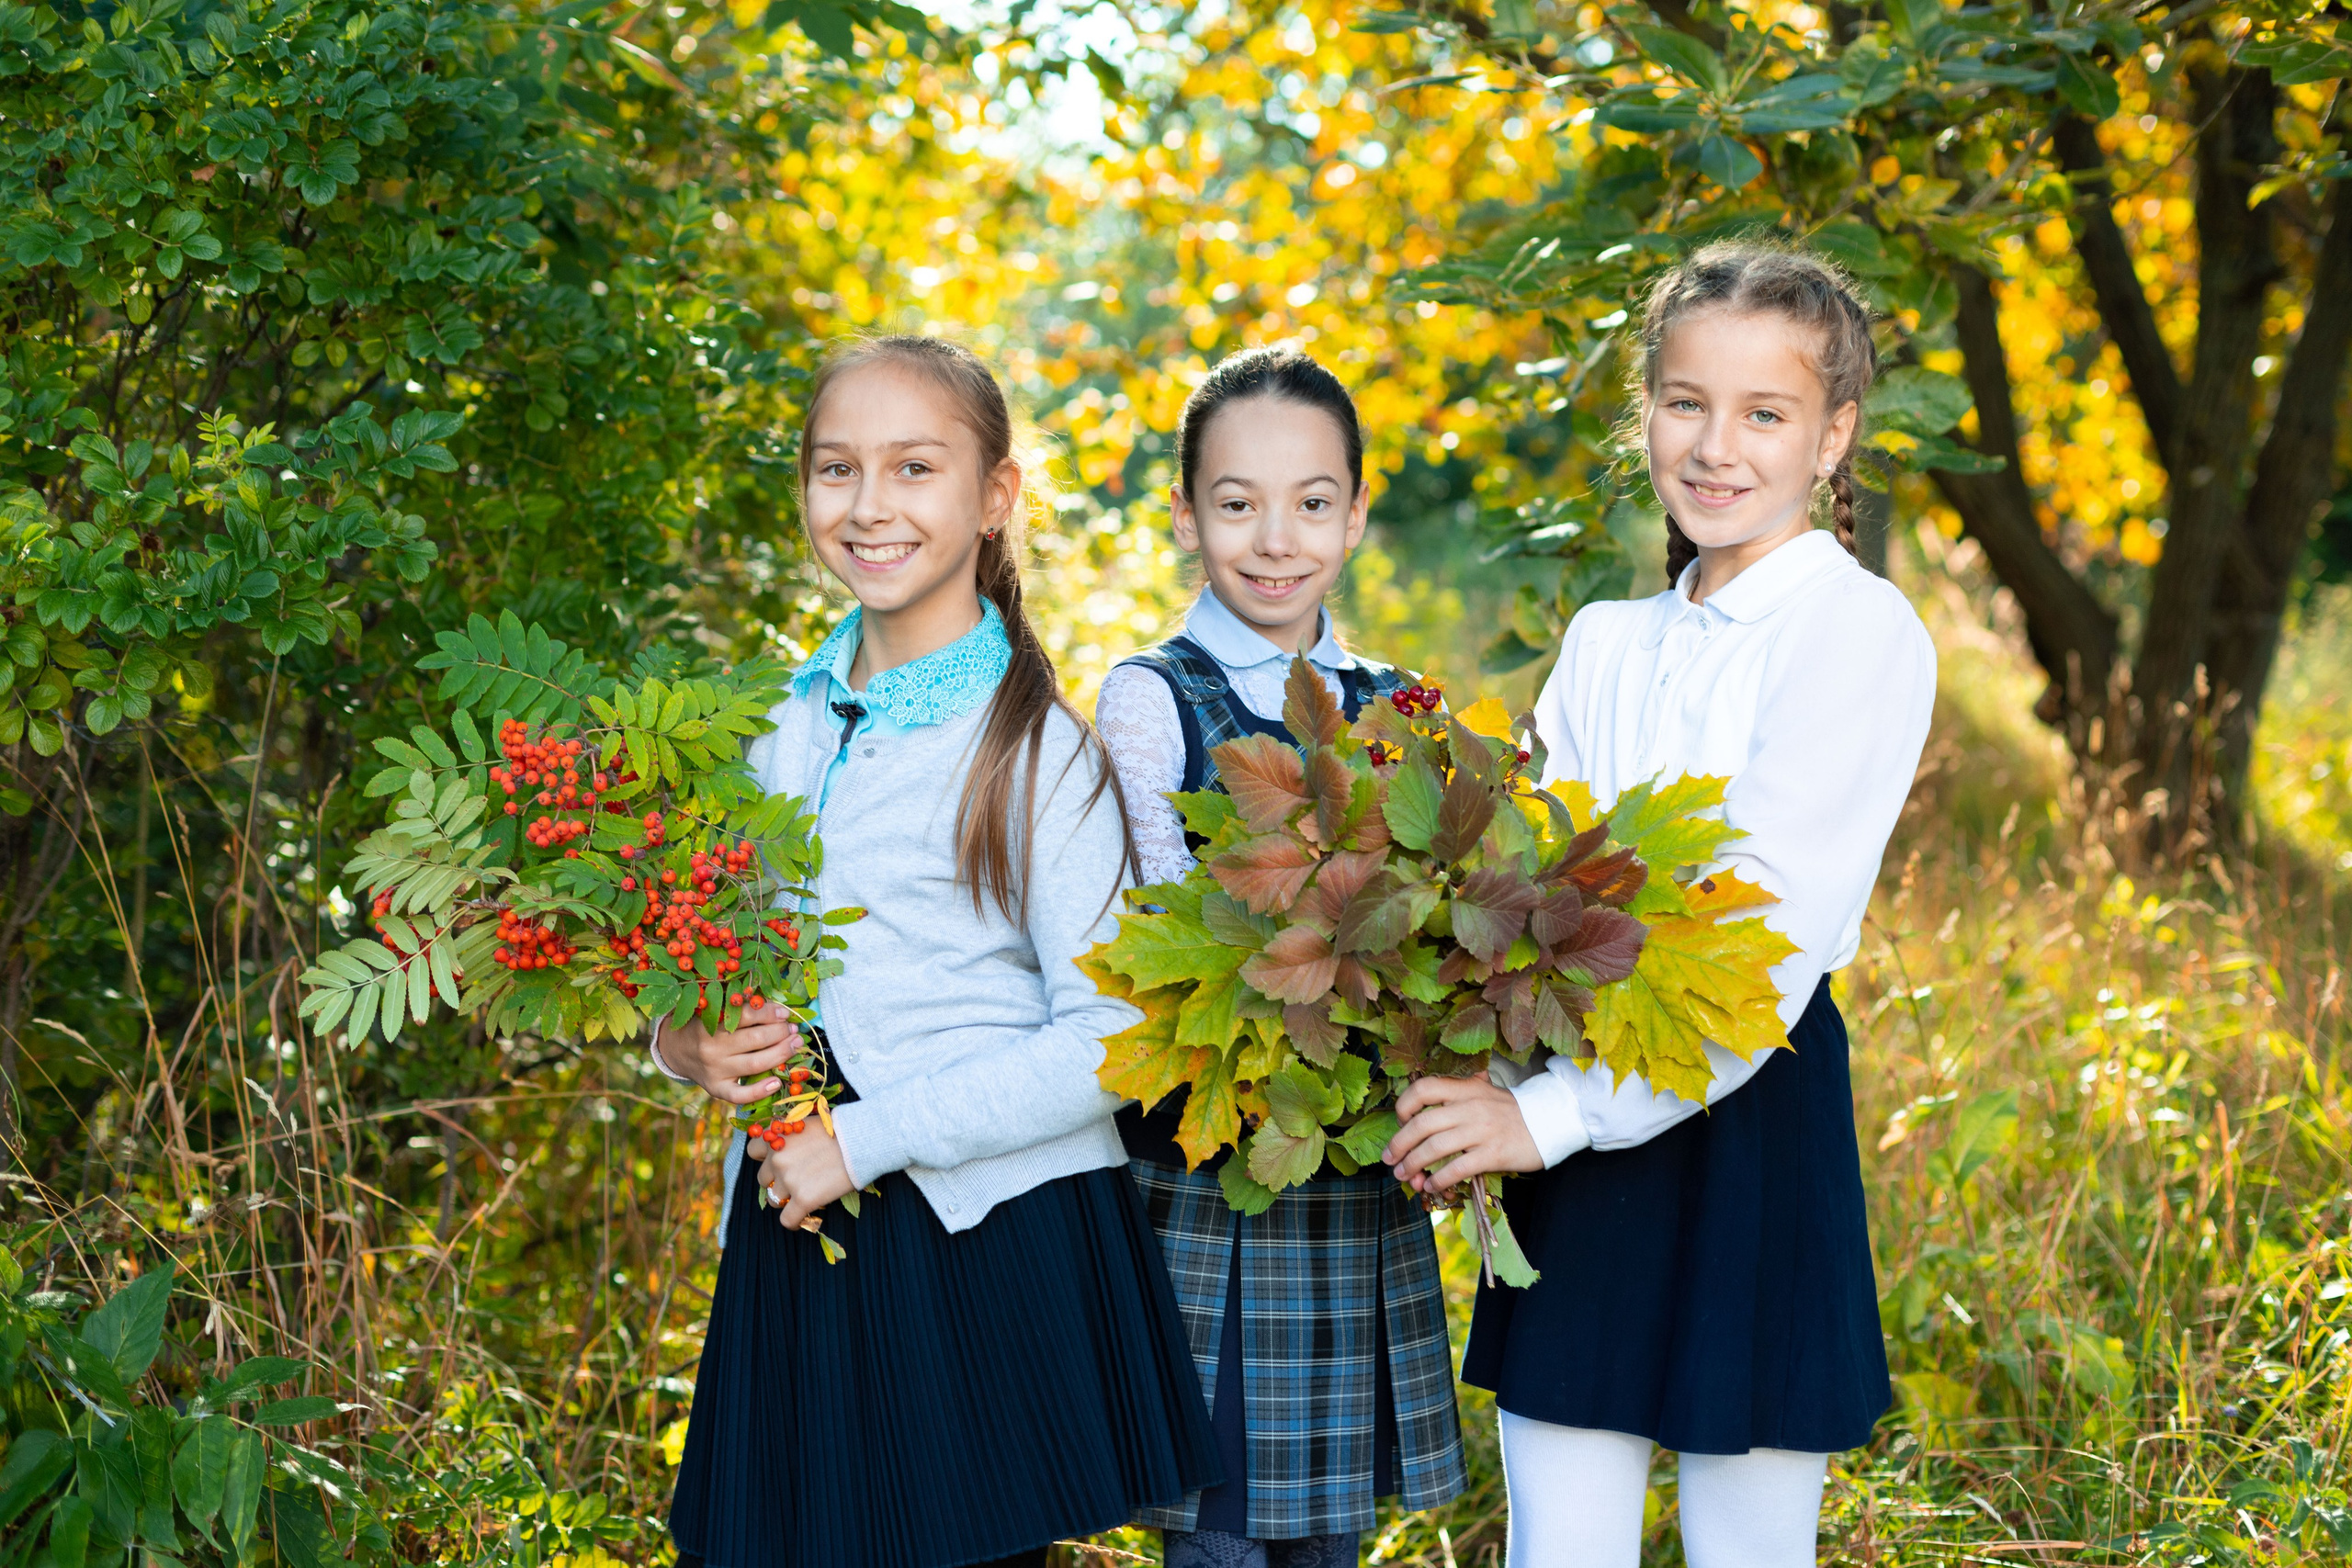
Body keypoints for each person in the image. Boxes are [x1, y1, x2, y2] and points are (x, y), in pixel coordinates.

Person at [1383, 243, 1938, 1567]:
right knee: (1559, 1549)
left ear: (1835, 434)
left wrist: (1545, 1118)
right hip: (1567, 1127)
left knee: (1750, 1552)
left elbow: (1759, 951)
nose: (1716, 446)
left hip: (1739, 1114)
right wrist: (1462, 1074)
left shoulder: (1857, 633)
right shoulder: (1604, 641)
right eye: (1685, 403)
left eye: (1765, 413)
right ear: (1645, 412)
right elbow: (1522, 903)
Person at [651, 335, 1220, 1568]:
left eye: (914, 468)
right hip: (798, 1227)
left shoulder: (1035, 752)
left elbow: (1116, 1040)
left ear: (993, 497)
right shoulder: (774, 723)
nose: (869, 507)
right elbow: (719, 953)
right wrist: (683, 1044)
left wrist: (860, 1139)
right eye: (835, 470)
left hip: (967, 1241)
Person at [1094, 345, 1470, 1568]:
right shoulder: (1157, 698)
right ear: (1185, 512)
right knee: (1218, 1546)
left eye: (1313, 502)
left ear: (1357, 512)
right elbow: (1153, 941)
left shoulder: (1398, 701)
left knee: (1328, 1549)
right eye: (1236, 502)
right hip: (1211, 1179)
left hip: (1351, 1186)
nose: (1276, 539)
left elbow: (1442, 933)